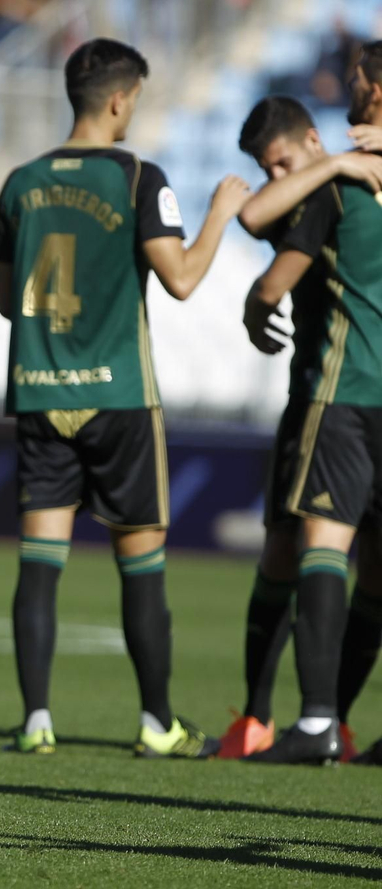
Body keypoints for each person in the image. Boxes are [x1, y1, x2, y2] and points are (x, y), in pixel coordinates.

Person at [0, 38, 249, 759]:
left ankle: (37, 719)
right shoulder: (139, 177)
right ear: (117, 99)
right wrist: (221, 213)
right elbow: (184, 278)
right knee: (141, 563)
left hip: (41, 394)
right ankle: (156, 721)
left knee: (39, 563)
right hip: (121, 399)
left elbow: (11, 301)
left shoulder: (20, 182)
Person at [217, 96, 382, 761]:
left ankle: (317, 721)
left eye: (280, 161)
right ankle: (284, 718)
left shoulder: (333, 192)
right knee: (307, 551)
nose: (271, 175)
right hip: (326, 395)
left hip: (333, 396)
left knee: (313, 545)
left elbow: (255, 225)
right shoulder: (332, 181)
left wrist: (260, 304)